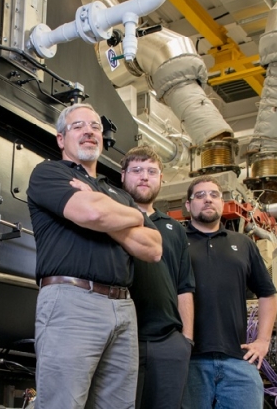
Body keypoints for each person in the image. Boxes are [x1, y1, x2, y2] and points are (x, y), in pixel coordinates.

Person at [27, 103, 162, 409]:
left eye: (95, 127)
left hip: (123, 308)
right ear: (61, 139)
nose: (89, 131)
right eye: (78, 126)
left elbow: (153, 248)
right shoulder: (49, 173)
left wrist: (117, 214)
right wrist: (131, 217)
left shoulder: (117, 193)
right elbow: (89, 213)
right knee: (63, 403)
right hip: (72, 300)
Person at [181, 176, 277, 409]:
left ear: (222, 203)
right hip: (189, 360)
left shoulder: (243, 244)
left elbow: (268, 293)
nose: (208, 200)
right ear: (188, 205)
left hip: (238, 359)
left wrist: (263, 341)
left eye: (214, 195)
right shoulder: (176, 240)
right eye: (200, 195)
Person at [120, 146, 195, 409]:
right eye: (137, 170)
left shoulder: (175, 229)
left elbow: (184, 286)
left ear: (161, 178)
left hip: (168, 342)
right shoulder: (112, 216)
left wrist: (186, 340)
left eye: (152, 171)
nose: (144, 176)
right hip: (122, 337)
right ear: (123, 176)